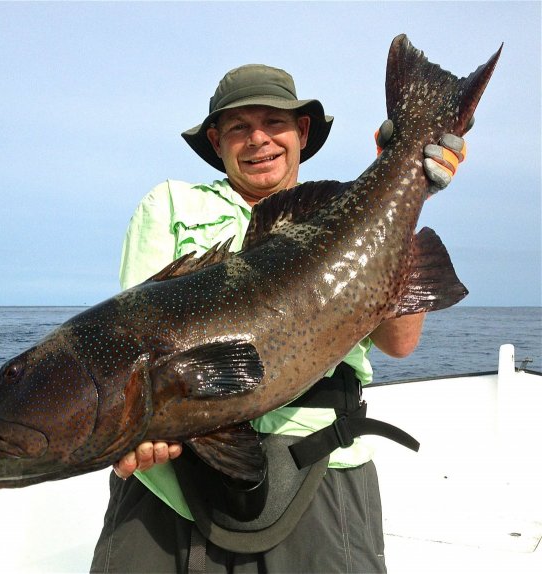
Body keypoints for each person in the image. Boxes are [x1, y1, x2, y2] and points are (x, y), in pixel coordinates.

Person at [91, 63, 468, 573]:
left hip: (321, 462)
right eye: (239, 127)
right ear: (216, 140)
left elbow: (400, 343)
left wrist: (408, 191)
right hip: (175, 480)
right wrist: (137, 424)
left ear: (303, 132)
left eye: (274, 121)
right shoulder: (169, 204)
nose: (259, 140)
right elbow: (132, 338)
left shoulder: (345, 212)